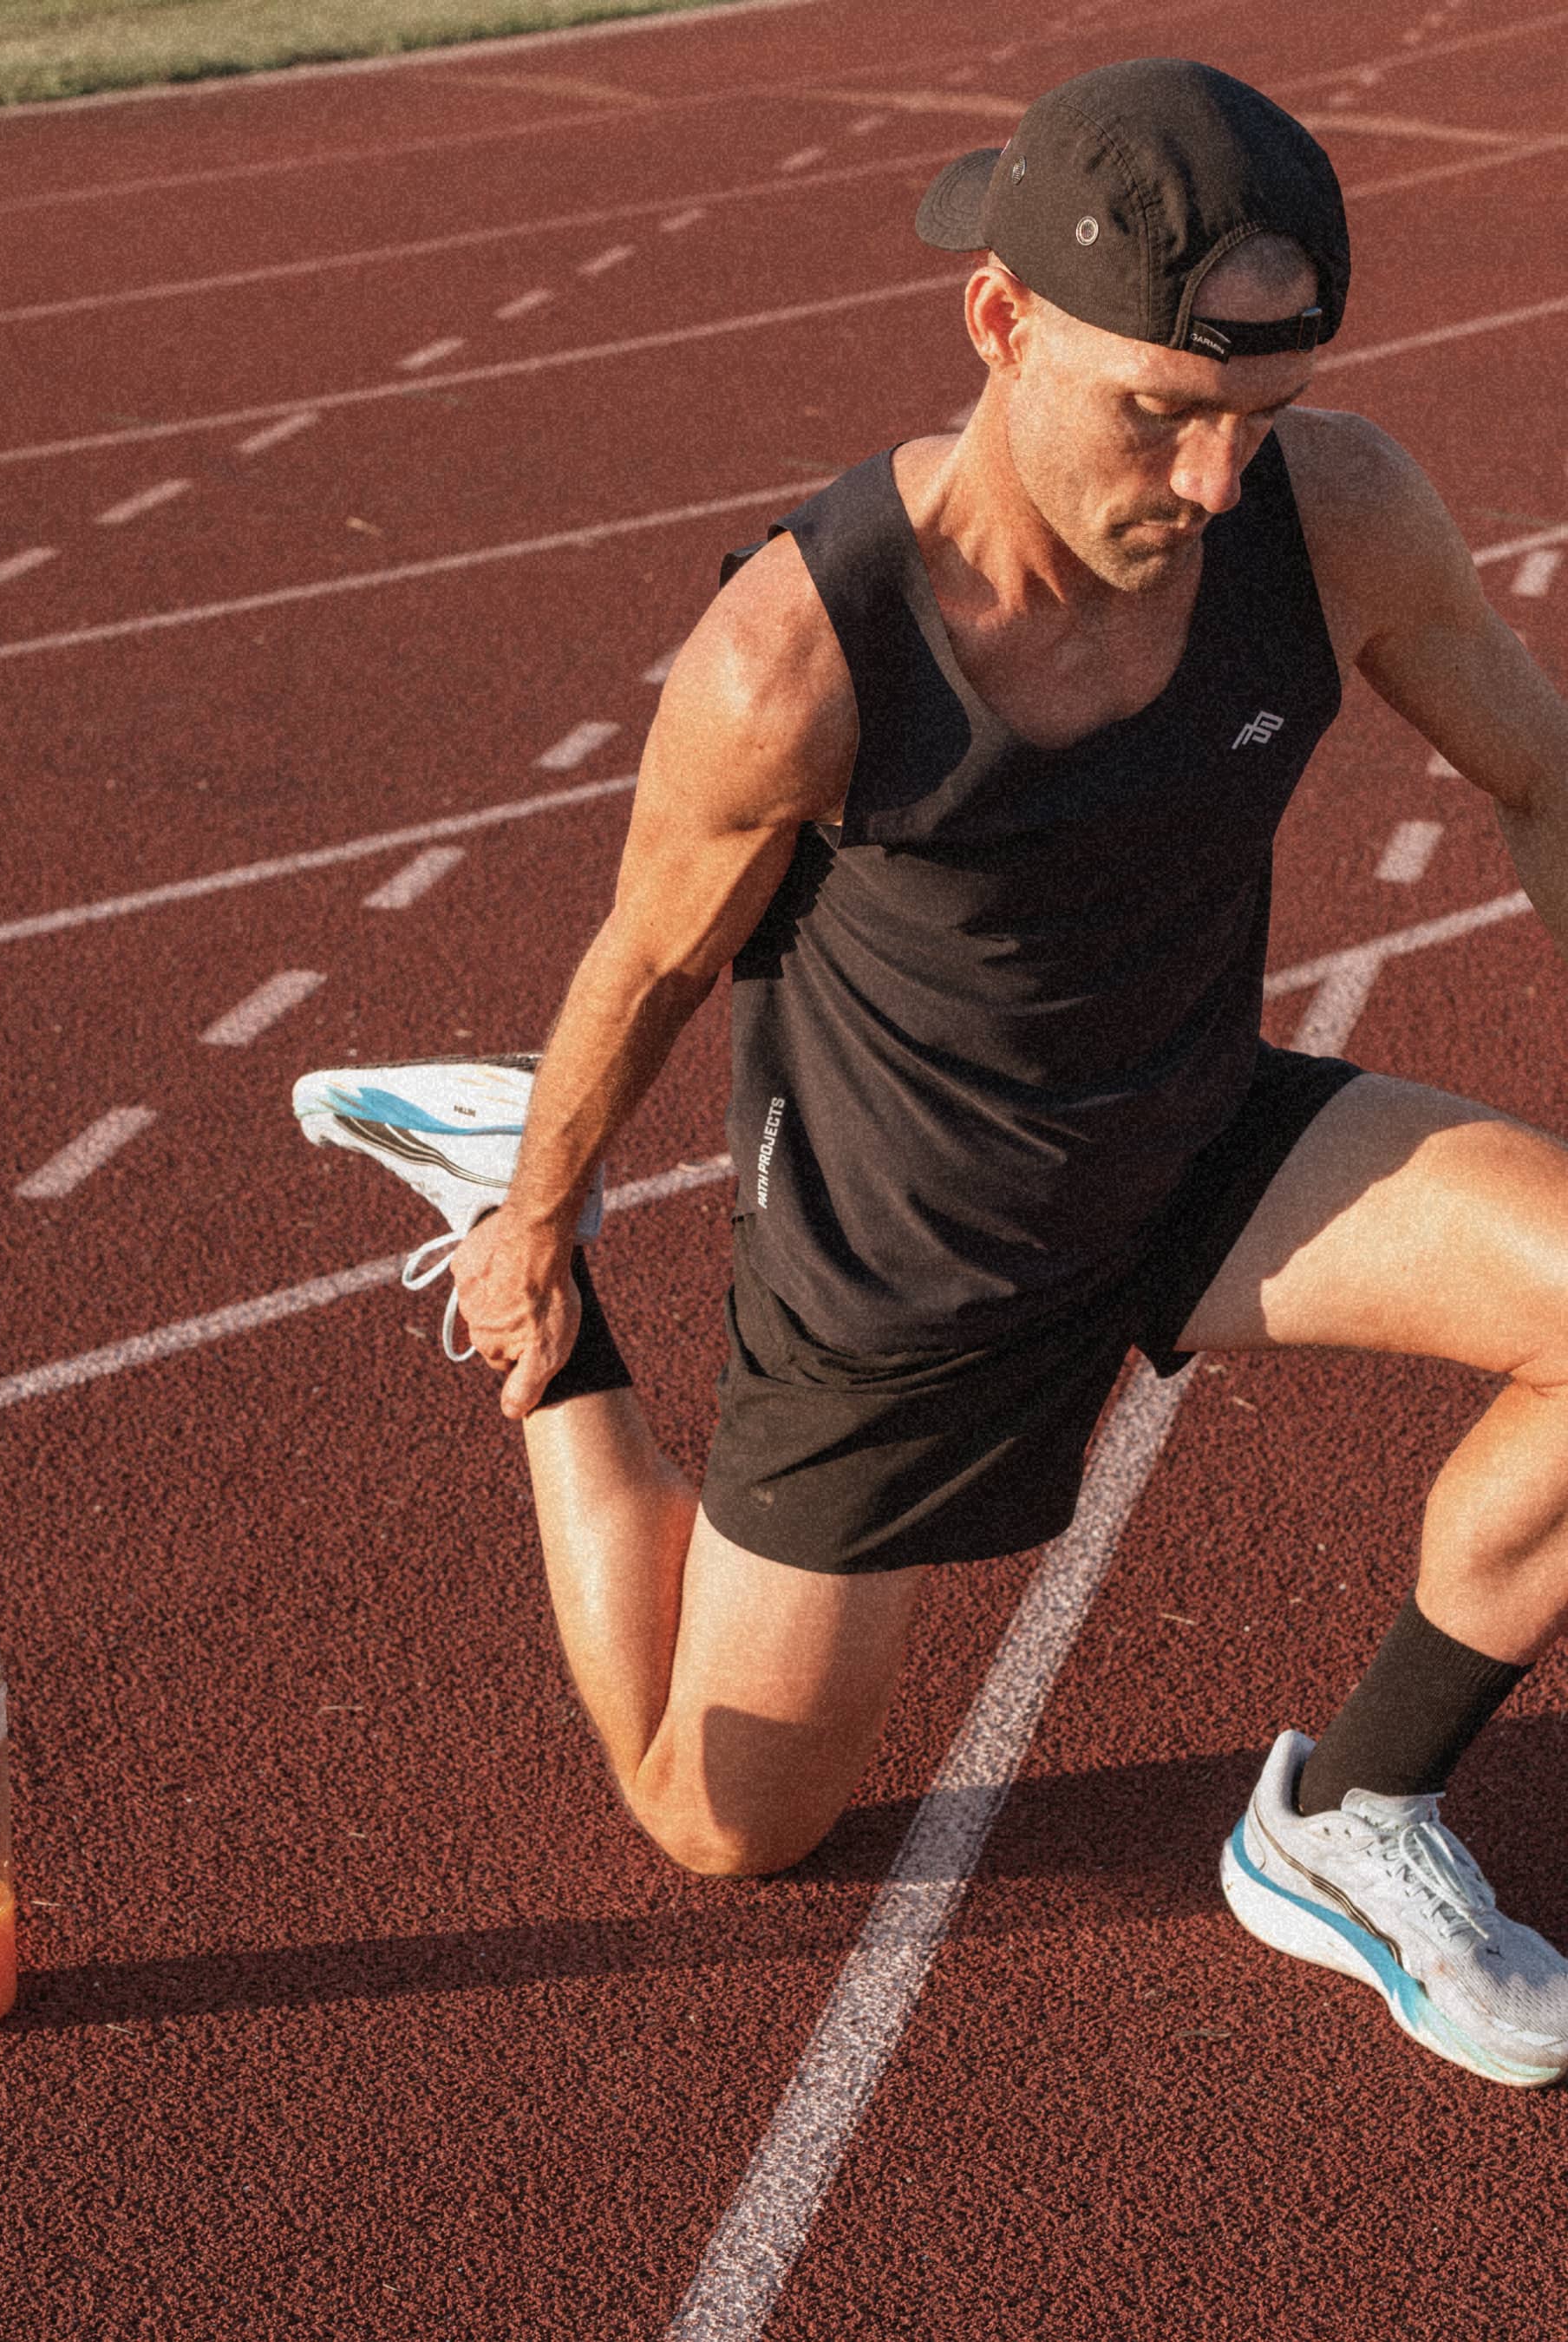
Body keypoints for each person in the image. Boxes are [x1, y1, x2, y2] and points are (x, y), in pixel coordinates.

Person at [295, 58, 1568, 2087]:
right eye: (1164, 410)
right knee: (722, 1824)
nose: (1218, 480)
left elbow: (1539, 774)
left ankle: (1350, 1828)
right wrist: (543, 1224)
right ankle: (507, 1216)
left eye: (1261, 415)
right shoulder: (797, 657)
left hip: (1190, 1140)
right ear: (1002, 322)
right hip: (901, 1269)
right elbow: (647, 957)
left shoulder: (1334, 519)